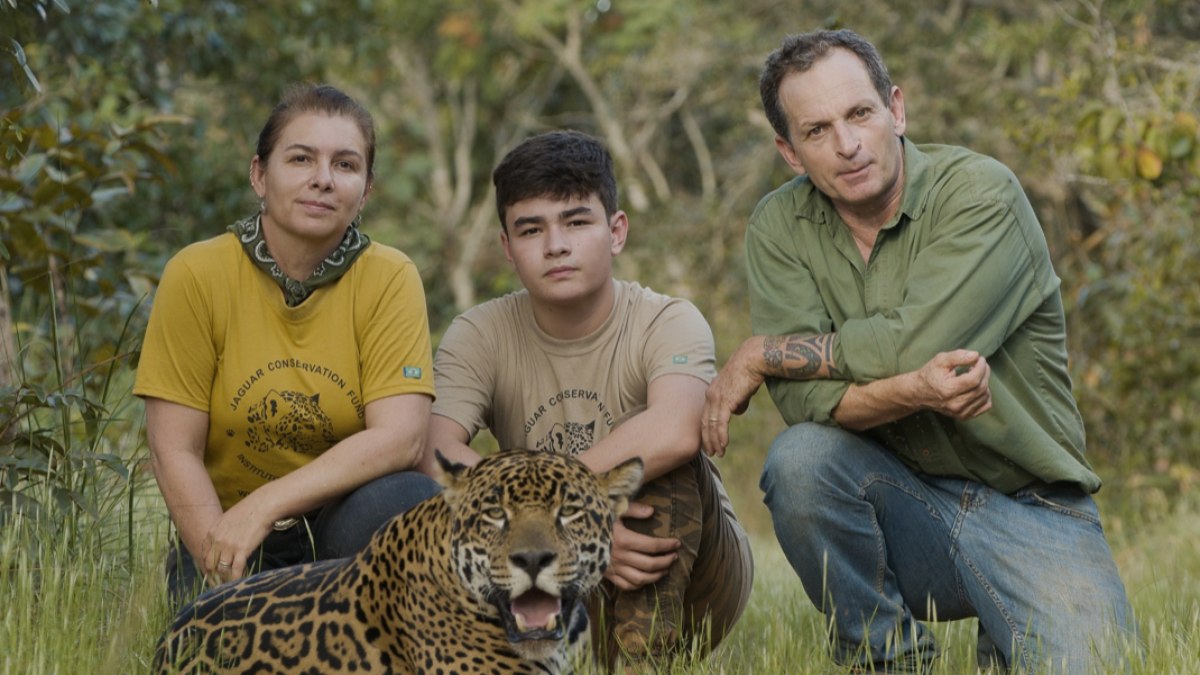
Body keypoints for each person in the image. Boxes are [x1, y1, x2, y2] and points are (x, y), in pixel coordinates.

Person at [702, 29, 1137, 674]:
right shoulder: (778, 225)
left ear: (896, 110)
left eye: (860, 114)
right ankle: (886, 660)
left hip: (1033, 509)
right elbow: (807, 403)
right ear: (789, 152)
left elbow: (920, 345)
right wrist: (912, 389)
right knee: (802, 460)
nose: (848, 145)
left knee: (1101, 667)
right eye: (817, 131)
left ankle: (1009, 628)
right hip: (898, 504)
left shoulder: (981, 193)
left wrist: (768, 351)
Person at [422, 130, 753, 667]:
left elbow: (675, 429)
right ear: (507, 247)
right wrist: (559, 531)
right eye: (531, 229)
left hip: (692, 580)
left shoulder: (667, 319)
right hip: (540, 572)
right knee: (436, 503)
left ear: (616, 230)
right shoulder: (478, 333)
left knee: (660, 465)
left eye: (576, 222)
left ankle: (644, 661)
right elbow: (433, 450)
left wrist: (563, 518)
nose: (555, 245)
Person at [135, 84, 440, 605]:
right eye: (301, 159)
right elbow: (173, 448)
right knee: (213, 648)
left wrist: (269, 503)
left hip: (341, 534)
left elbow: (401, 439)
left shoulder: (390, 277)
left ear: (365, 191)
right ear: (260, 174)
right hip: (227, 529)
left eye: (345, 165)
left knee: (414, 499)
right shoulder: (197, 273)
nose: (322, 180)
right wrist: (222, 558)